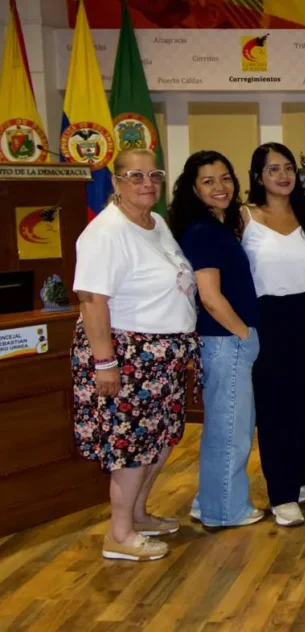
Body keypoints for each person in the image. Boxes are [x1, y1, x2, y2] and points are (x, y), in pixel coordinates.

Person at [72, 148, 200, 561]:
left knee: (159, 441)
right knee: (131, 447)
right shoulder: (106, 232)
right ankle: (120, 534)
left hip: (163, 356)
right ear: (116, 182)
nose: (147, 183)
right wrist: (105, 363)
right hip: (127, 356)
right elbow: (92, 300)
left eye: (154, 175)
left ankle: (138, 515)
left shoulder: (156, 223)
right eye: (136, 176)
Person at [170, 150, 263, 529]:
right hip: (226, 340)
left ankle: (209, 501)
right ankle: (225, 510)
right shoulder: (203, 232)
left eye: (225, 178)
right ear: (194, 189)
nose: (220, 187)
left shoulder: (217, 226)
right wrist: (243, 334)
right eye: (208, 181)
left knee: (227, 425)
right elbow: (210, 296)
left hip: (226, 340)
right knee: (231, 431)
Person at [242, 143, 305, 526]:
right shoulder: (245, 217)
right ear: (258, 176)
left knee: (303, 405)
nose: (283, 175)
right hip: (268, 317)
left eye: (288, 167)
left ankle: (296, 479)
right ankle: (281, 494)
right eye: (273, 169)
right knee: (274, 407)